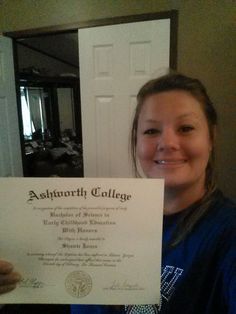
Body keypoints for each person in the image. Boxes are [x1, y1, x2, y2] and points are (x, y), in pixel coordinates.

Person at [0, 73, 235, 314]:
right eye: (151, 131)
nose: (167, 143)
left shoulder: (227, 235)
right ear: (137, 141)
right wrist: (11, 282)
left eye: (186, 128)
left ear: (211, 138)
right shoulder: (99, 218)